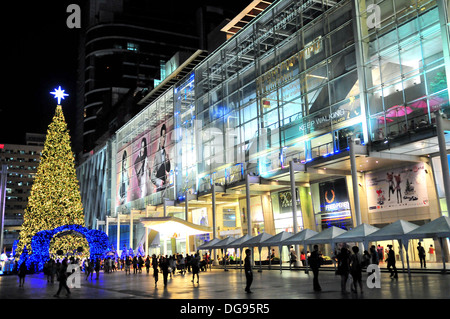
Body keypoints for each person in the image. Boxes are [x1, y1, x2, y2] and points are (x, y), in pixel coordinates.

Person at [151, 124, 171, 191]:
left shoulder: (165, 152)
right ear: (159, 138)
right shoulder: (157, 154)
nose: (163, 139)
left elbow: (168, 170)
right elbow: (152, 176)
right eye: (162, 136)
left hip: (166, 186)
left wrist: (168, 161)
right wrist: (159, 182)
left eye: (165, 136)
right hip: (160, 187)